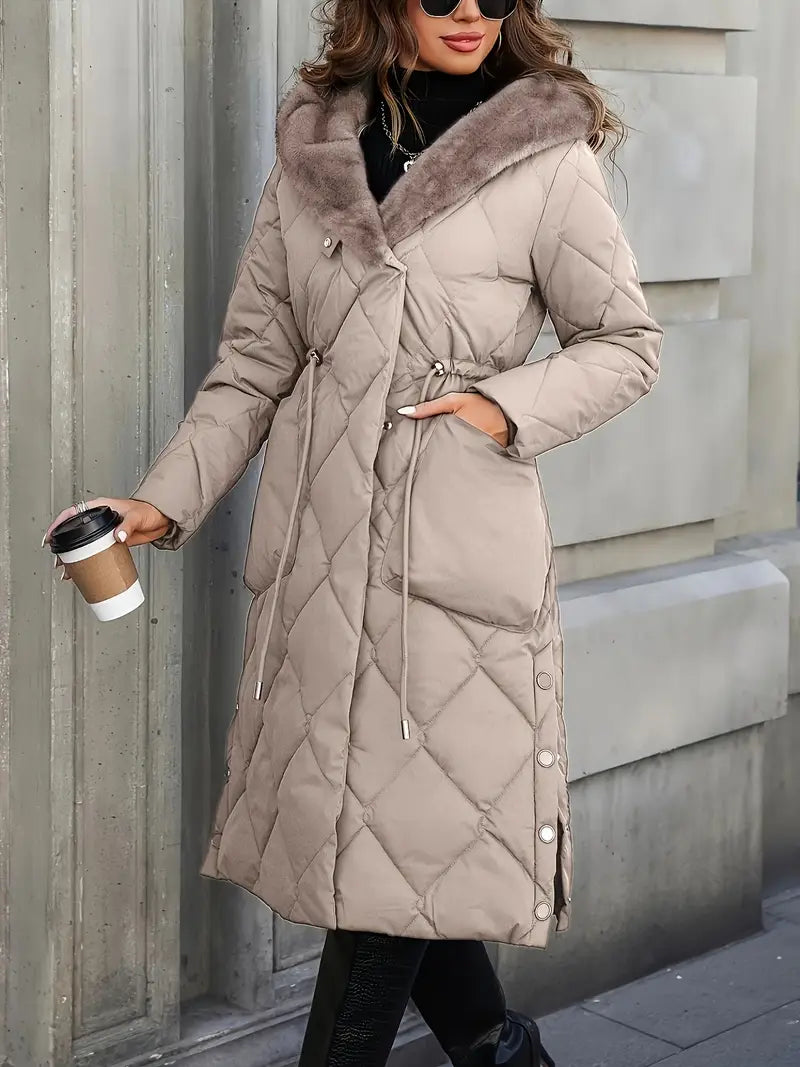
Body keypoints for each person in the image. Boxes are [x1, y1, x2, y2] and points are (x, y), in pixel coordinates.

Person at [45, 1, 663, 1063]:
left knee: (385, 885)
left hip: (451, 565)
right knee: (394, 865)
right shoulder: (316, 152)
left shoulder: (543, 153)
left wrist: (497, 406)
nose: (468, 11)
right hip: (323, 564)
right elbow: (254, 362)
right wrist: (163, 500)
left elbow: (624, 345)